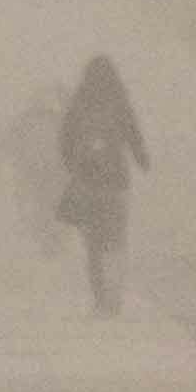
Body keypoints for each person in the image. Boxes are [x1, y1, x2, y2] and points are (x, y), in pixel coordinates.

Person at [54, 49, 151, 314]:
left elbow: (65, 140)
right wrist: (142, 160)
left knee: (93, 243)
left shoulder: (79, 103)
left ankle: (99, 299)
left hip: (87, 181)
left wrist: (73, 166)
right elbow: (134, 136)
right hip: (116, 181)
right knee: (115, 240)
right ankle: (114, 295)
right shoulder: (119, 102)